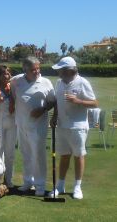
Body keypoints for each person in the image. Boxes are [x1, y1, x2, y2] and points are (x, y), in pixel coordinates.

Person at [49, 57, 98, 200]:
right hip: (62, 125)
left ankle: (77, 187)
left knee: (78, 155)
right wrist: (54, 116)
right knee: (64, 155)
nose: (58, 72)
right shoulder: (59, 83)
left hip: (78, 126)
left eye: (60, 70)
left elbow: (94, 103)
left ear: (69, 70)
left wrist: (79, 101)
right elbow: (58, 102)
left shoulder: (83, 83)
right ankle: (60, 185)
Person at [11, 56, 55, 196]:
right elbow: (11, 93)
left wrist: (42, 110)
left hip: (38, 126)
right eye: (33, 69)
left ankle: (40, 185)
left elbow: (53, 102)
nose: (36, 72)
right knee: (26, 154)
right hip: (21, 124)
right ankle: (27, 182)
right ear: (25, 70)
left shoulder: (46, 82)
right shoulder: (16, 80)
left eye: (38, 68)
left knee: (38, 156)